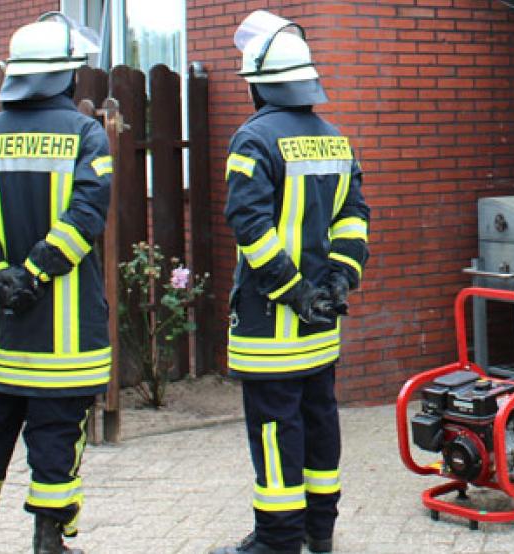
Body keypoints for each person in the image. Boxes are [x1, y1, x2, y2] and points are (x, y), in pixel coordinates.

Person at [0, 12, 111, 554]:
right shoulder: (86, 134)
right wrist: (34, 273)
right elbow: (86, 216)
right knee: (56, 447)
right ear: (67, 77)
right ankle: (50, 542)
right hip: (67, 339)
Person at [213, 10, 370, 554]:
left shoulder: (251, 139)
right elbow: (354, 220)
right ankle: (318, 533)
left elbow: (250, 228)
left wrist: (292, 292)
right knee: (320, 422)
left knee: (276, 430)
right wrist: (337, 284)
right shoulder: (335, 139)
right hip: (323, 326)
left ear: (258, 85)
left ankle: (276, 541)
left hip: (270, 324)